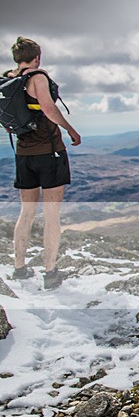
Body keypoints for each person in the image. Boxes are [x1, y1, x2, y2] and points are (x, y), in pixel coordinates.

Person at [6, 37, 80, 289]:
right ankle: (50, 274)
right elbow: (48, 109)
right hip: (49, 153)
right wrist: (71, 130)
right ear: (37, 57)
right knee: (51, 215)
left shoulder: (8, 79)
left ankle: (19, 269)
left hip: (23, 154)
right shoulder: (38, 78)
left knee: (26, 212)